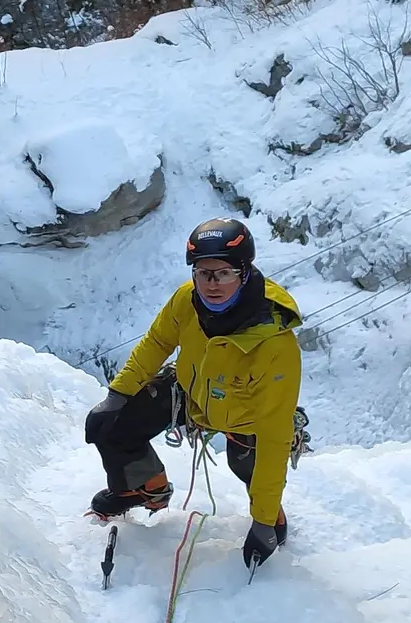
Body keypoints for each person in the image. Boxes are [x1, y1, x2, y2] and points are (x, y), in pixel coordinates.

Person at [84, 217, 304, 570]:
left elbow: (275, 434)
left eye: (223, 274)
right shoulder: (187, 301)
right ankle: (144, 487)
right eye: (203, 273)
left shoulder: (275, 344)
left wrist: (262, 521)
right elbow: (158, 343)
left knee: (246, 465)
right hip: (193, 393)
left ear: (244, 272)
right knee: (113, 424)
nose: (211, 284)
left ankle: (269, 514)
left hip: (247, 416)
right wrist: (118, 394)